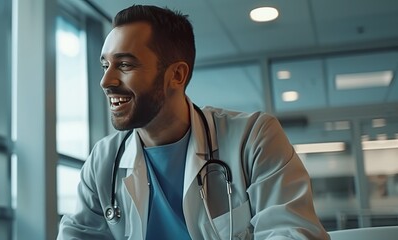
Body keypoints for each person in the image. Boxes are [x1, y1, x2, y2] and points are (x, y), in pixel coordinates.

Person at [58, 5, 328, 240]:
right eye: (106, 65)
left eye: (125, 65)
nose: (106, 81)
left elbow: (292, 232)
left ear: (176, 75)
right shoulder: (104, 161)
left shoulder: (254, 139)